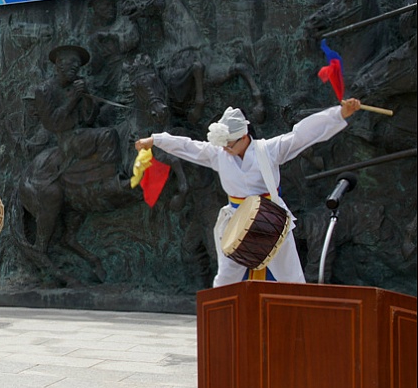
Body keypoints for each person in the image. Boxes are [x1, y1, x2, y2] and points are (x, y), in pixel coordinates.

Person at [134, 98, 362, 287]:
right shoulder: (219, 154)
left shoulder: (268, 150)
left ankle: (298, 322)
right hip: (236, 220)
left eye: (230, 144)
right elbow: (189, 147)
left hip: (270, 217)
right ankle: (222, 322)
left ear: (244, 137)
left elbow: (301, 135)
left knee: (290, 277)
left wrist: (340, 113)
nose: (225, 149)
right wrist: (156, 140)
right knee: (226, 277)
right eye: (223, 145)